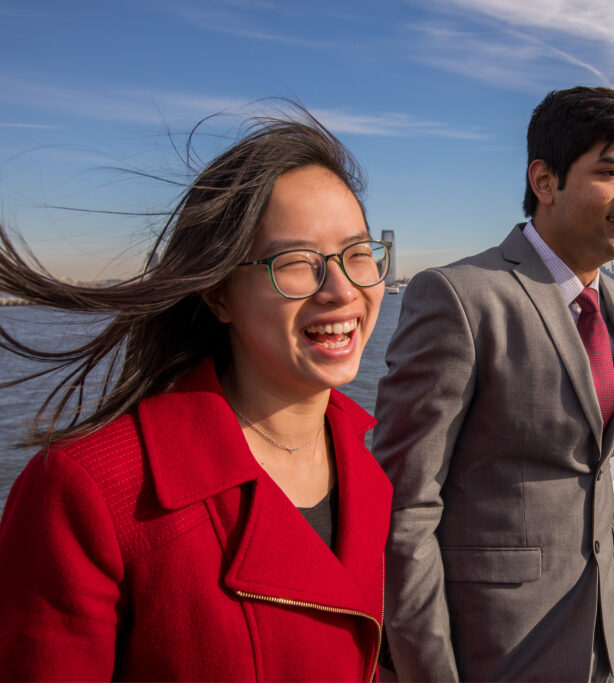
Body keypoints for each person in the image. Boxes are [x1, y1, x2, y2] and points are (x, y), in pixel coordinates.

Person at [0, 107, 393, 681]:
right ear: (218, 296)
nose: (342, 290)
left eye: (359, 254)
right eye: (296, 263)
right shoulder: (91, 492)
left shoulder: (369, 465)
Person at [372, 86, 614, 682]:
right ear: (545, 180)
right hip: (493, 645)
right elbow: (404, 505)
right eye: (612, 173)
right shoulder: (459, 297)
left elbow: (595, 471)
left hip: (592, 632)